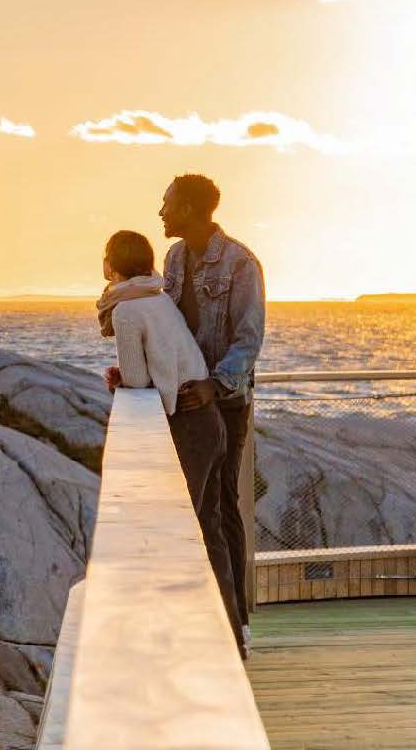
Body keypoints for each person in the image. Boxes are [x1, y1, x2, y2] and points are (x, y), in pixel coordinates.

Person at [97, 229, 240, 639]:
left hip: (189, 428)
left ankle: (183, 639)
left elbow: (141, 381)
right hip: (209, 422)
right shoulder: (158, 298)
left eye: (106, 257)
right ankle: (230, 635)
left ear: (113, 265)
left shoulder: (126, 310)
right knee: (209, 535)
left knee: (179, 539)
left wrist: (124, 381)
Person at [159, 173, 266, 643]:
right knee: (191, 506)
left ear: (189, 209)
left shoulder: (241, 263)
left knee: (222, 505)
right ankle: (202, 613)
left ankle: (235, 621)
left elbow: (249, 338)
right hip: (186, 403)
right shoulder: (175, 257)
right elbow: (166, 322)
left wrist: (215, 385)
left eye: (167, 204)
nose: (160, 212)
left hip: (223, 403)